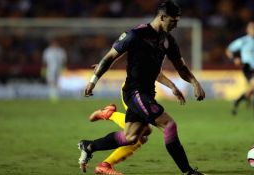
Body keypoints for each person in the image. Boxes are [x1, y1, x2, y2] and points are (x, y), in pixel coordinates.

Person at [78, 1, 206, 175]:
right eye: (173, 21)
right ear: (162, 17)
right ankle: (188, 172)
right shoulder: (136, 34)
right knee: (169, 125)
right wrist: (93, 81)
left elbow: (181, 67)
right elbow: (110, 57)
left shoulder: (168, 41)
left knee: (131, 137)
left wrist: (195, 82)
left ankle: (89, 146)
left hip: (147, 92)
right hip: (134, 91)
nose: (176, 25)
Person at [88, 72, 186, 175]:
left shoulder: (156, 59)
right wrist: (99, 73)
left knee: (142, 133)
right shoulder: (147, 57)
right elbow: (118, 56)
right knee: (143, 132)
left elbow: (158, 73)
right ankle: (109, 114)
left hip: (143, 94)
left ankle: (104, 165)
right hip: (132, 92)